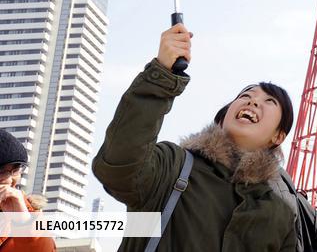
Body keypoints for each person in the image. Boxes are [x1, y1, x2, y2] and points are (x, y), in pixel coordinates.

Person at [92, 23, 302, 251]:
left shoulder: (278, 212)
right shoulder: (174, 166)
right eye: (246, 96)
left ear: (278, 136)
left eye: (269, 101)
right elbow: (119, 167)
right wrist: (162, 74)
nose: (253, 101)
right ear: (222, 120)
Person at [0, 129, 53, 251]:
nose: (9, 180)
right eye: (1, 171)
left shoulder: (30, 215)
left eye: (15, 171)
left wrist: (22, 221)